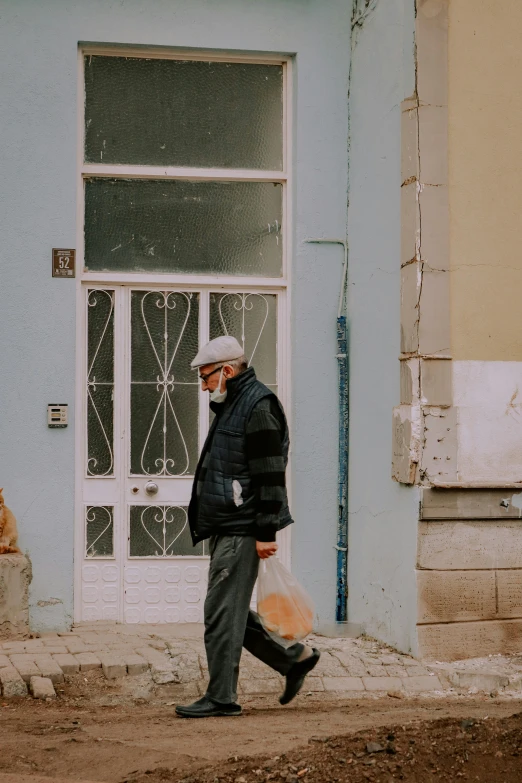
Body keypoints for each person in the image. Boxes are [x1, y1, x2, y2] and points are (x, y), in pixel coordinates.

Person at [175, 336, 320, 718]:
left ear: (226, 371)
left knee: (220, 613)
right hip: (229, 522)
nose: (203, 385)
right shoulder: (234, 403)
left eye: (205, 377)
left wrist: (266, 533)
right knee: (231, 611)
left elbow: (270, 474)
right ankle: (293, 660)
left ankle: (222, 697)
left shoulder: (257, 406)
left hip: (243, 527)